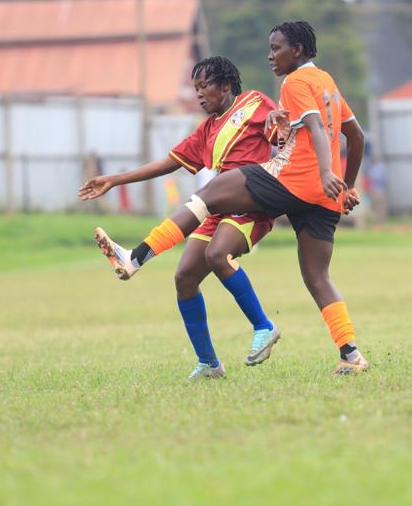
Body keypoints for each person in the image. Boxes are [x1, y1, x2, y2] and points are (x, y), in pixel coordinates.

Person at [93, 20, 369, 376]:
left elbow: (309, 127)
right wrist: (343, 185)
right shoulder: (325, 82)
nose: (270, 56)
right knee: (310, 276)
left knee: (210, 202)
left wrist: (324, 168)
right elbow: (355, 135)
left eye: (276, 48)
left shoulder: (286, 86)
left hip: (287, 181)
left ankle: (136, 257)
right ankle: (349, 355)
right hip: (320, 193)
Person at [79, 56, 281, 380]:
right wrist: (114, 179)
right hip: (218, 207)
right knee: (185, 277)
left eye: (204, 86)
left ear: (226, 86)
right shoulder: (207, 130)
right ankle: (209, 364)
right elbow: (168, 163)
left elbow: (282, 130)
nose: (199, 94)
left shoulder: (253, 103)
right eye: (195, 88)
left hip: (251, 205)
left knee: (217, 254)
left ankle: (264, 326)